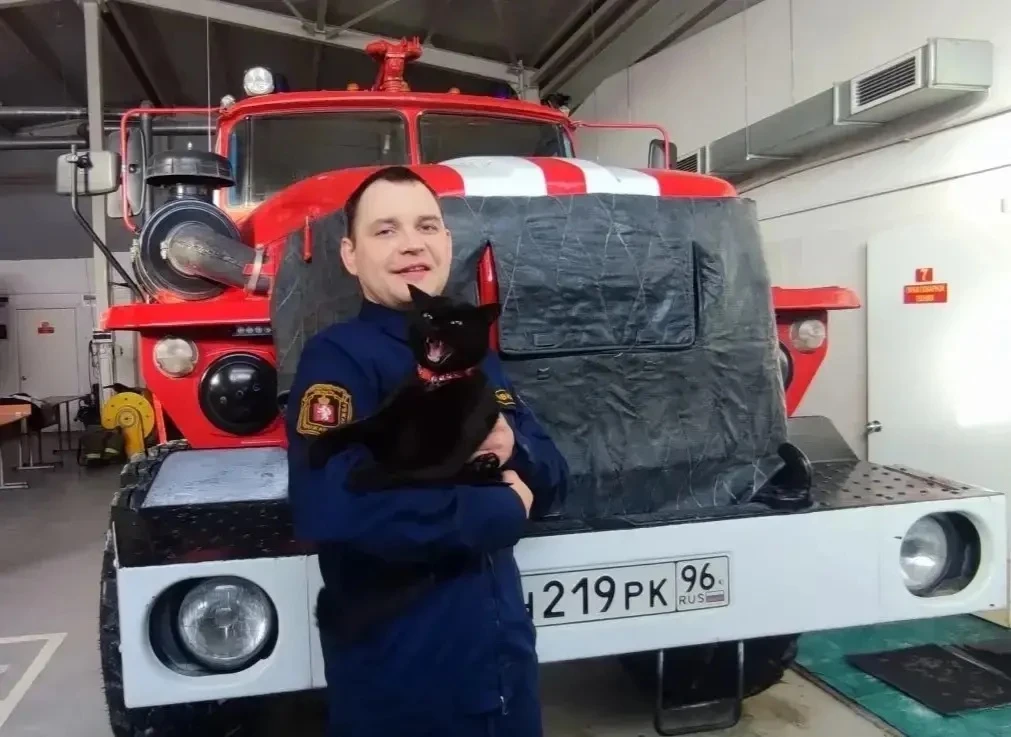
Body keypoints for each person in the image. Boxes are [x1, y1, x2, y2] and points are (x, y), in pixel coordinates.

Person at [285, 165, 569, 737]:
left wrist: (513, 447)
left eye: (427, 226)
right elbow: (329, 509)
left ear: (447, 242)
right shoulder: (339, 359)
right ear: (350, 255)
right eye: (385, 230)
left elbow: (555, 478)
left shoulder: (474, 355)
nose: (412, 243)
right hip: (403, 682)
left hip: (504, 671)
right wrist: (499, 507)